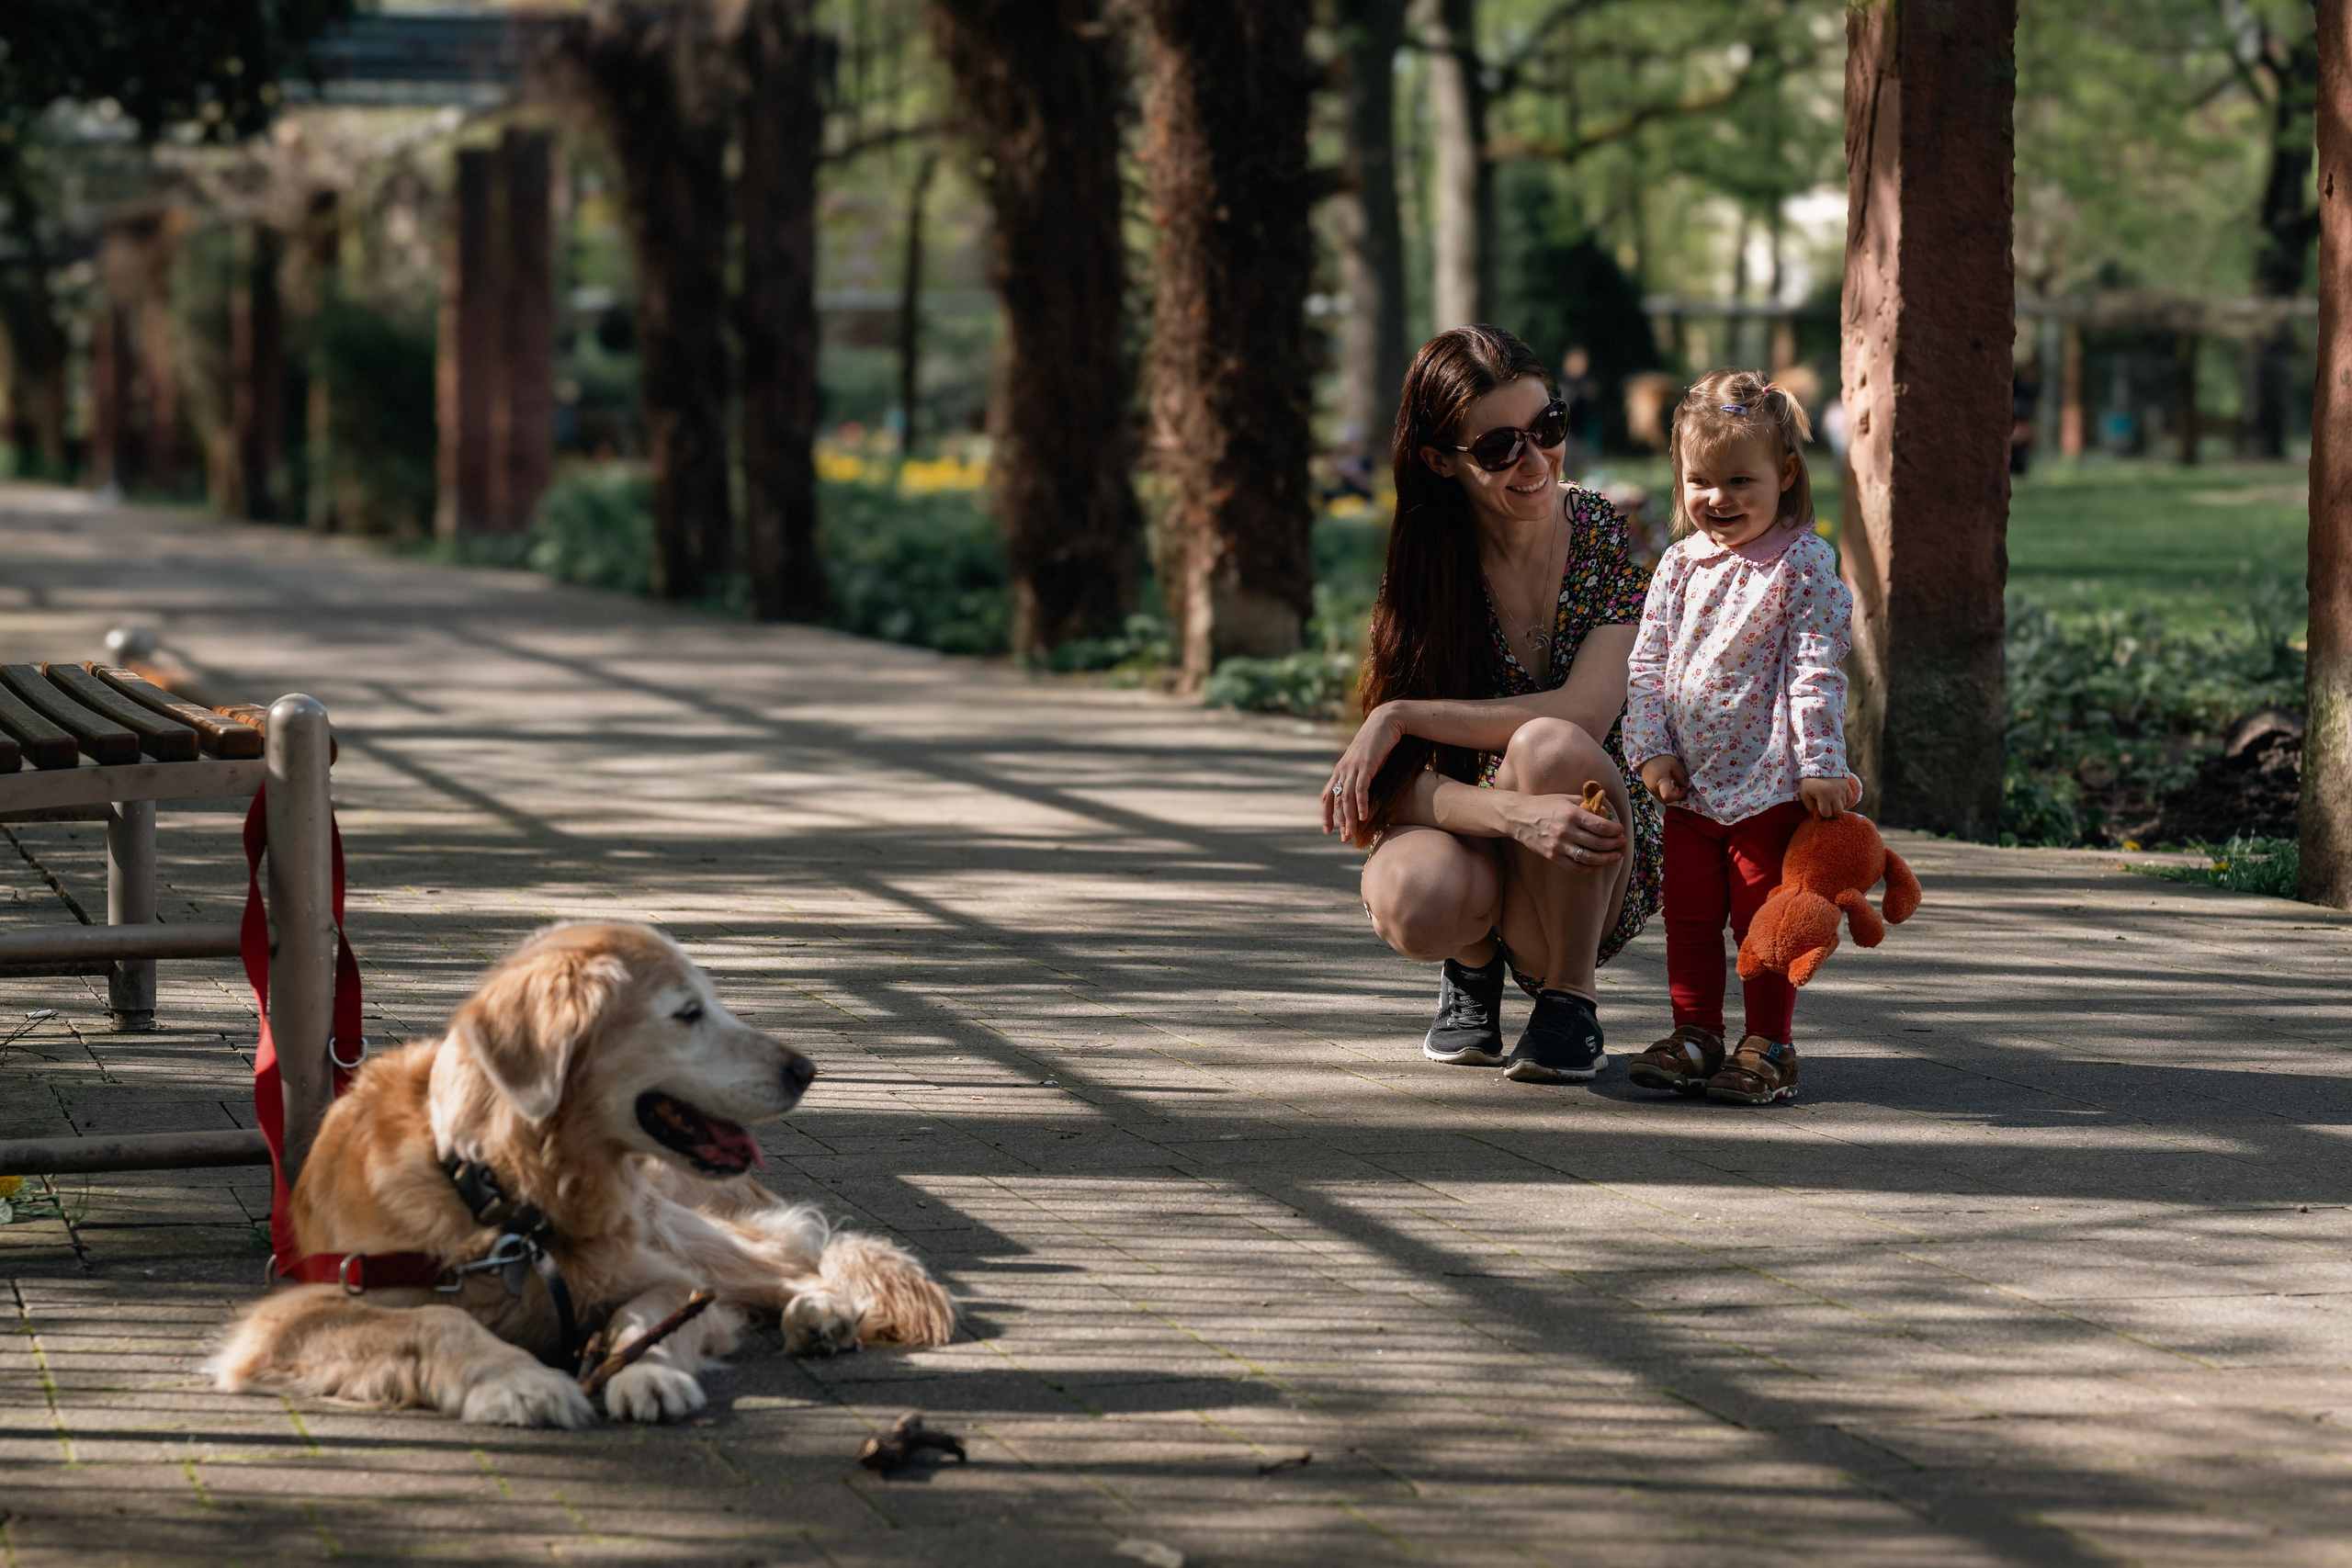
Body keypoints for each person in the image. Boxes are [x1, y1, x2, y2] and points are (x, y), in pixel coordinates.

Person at [1324, 326, 1662, 1085]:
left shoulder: (1609, 534)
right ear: (1441, 460)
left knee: (1550, 746)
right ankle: (1472, 965)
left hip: (1586, 850)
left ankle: (1570, 998)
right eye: (1499, 447)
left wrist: (1403, 714)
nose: (1535, 461)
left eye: (1548, 426)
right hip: (1482, 841)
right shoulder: (1428, 567)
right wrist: (1512, 815)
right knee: (1415, 893)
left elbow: (1585, 715)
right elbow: (1390, 787)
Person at [1621, 368, 1860, 1107]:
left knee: (1764, 922)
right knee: (1690, 916)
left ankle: (1770, 1044)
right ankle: (1695, 1032)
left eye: (1739, 481)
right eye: (1699, 480)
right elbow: (1648, 663)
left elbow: (1815, 667)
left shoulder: (1802, 564)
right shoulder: (1678, 564)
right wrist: (1651, 749)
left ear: (1785, 474)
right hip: (1689, 787)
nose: (1717, 498)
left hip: (1768, 784)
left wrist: (1821, 762)